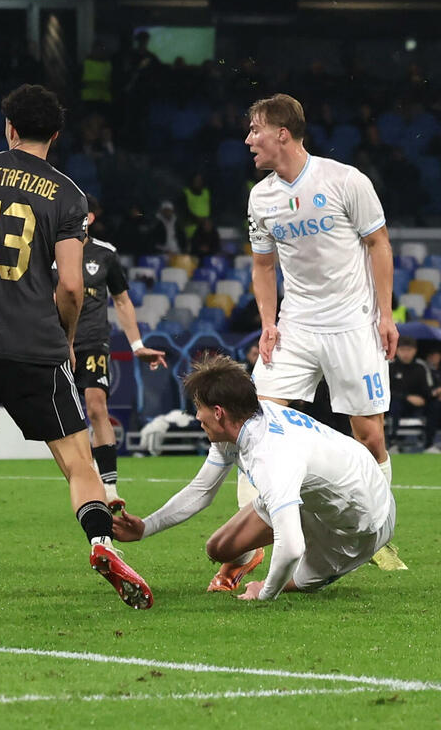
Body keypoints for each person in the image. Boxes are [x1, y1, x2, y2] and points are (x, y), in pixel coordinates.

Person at [0, 83, 153, 609]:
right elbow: (71, 286)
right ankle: (102, 544)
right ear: (55, 135)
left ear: (9, 127)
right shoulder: (68, 194)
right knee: (77, 460)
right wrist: (66, 339)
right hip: (34, 344)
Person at [244, 93, 404, 571]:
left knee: (369, 436)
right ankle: (250, 548)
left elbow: (378, 243)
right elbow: (263, 265)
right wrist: (268, 323)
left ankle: (377, 535)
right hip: (296, 325)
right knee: (254, 423)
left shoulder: (345, 180)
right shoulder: (261, 197)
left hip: (352, 323)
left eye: (256, 130)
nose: (249, 139)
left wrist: (386, 315)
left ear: (282, 134)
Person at [113, 355, 396, 601]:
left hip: (361, 525)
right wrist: (145, 528)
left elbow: (292, 547)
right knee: (218, 548)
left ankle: (346, 558)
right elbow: (201, 490)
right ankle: (270, 543)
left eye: (199, 407)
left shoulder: (271, 457)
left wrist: (265, 592)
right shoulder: (240, 426)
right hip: (323, 492)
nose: (197, 416)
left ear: (218, 412)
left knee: (292, 576)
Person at [74, 196, 168, 511]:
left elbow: (122, 300)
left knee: (96, 406)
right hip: (55, 344)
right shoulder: (48, 252)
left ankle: (109, 488)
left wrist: (137, 345)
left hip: (92, 341)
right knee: (67, 418)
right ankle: (83, 480)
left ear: (89, 217)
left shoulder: (105, 253)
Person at [388, 336, 440, 452]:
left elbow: (428, 389)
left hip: (419, 403)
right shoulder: (390, 367)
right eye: (402, 350)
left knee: (435, 405)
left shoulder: (421, 367)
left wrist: (434, 393)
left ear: (415, 351)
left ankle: (429, 444)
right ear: (396, 350)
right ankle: (392, 442)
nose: (406, 353)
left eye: (409, 350)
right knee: (394, 404)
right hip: (398, 403)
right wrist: (406, 397)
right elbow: (386, 391)